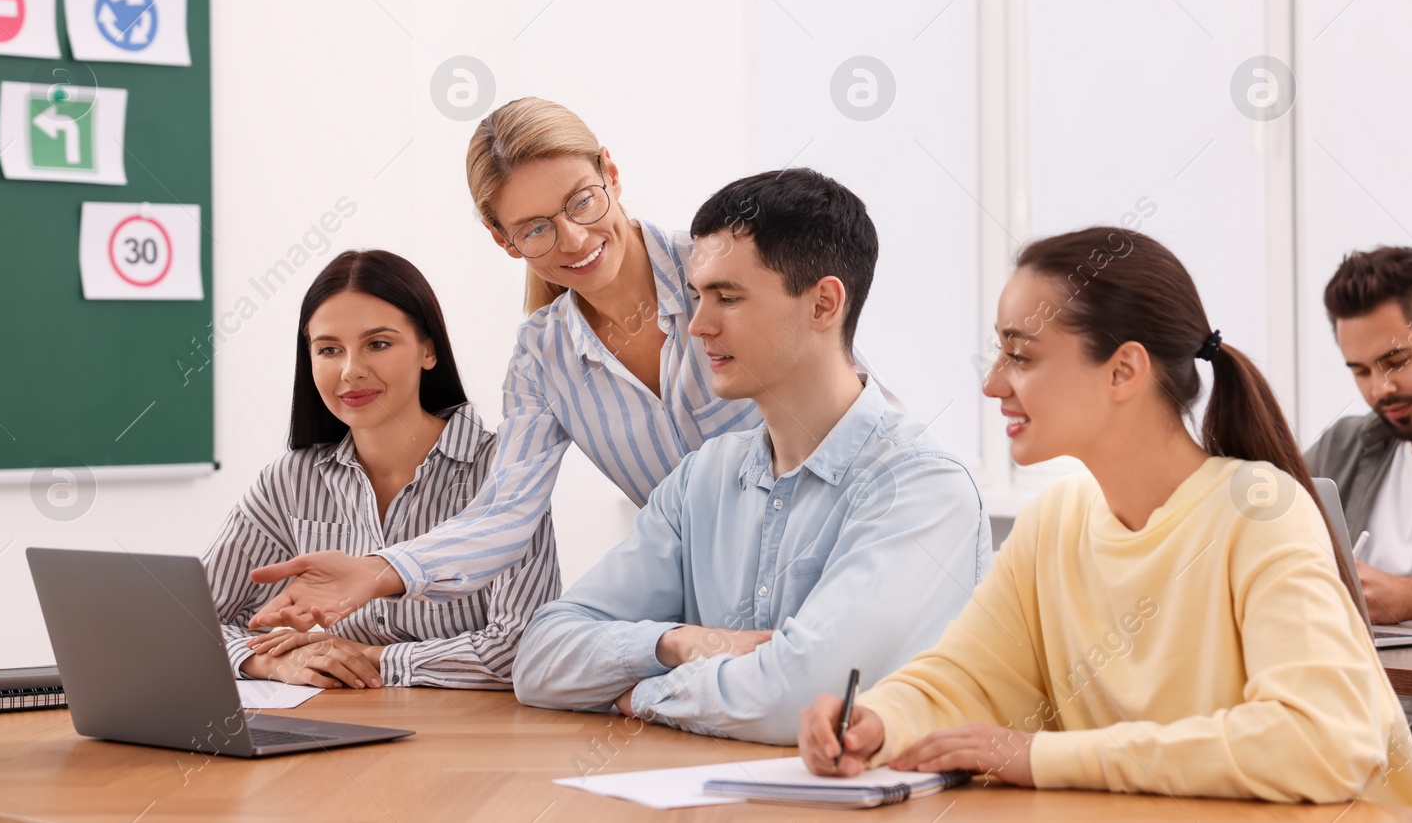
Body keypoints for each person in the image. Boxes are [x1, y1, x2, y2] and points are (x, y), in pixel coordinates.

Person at [797, 227, 1412, 807]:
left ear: (1124, 370)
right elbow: (965, 679)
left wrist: (1040, 757)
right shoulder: (1056, 523)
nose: (993, 383)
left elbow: (1317, 742)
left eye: (1021, 356)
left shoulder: (1258, 511)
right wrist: (877, 722)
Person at [246, 99, 892, 631]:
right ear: (504, 240)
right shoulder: (543, 357)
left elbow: (850, 398)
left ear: (610, 173)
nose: (574, 239)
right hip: (712, 608)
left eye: (581, 202)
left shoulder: (722, 274)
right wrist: (381, 569)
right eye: (535, 229)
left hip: (834, 563)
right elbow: (505, 513)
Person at [511, 169, 989, 744]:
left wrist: (639, 693)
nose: (698, 326)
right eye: (696, 296)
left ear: (823, 305)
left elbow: (801, 699)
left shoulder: (922, 489)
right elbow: (539, 658)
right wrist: (675, 642)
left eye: (728, 298)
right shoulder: (702, 479)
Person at [201, 250, 560, 689]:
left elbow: (521, 647)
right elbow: (190, 621)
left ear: (428, 349)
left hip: (477, 738)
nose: (351, 371)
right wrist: (271, 663)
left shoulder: (504, 469)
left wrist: (374, 659)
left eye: (378, 344)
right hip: (350, 731)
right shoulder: (290, 483)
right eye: (329, 350)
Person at [1305, 246, 1412, 746]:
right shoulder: (1344, 446)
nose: (1381, 388)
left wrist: (1409, 596)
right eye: (1360, 370)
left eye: (1397, 359)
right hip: (1349, 714)